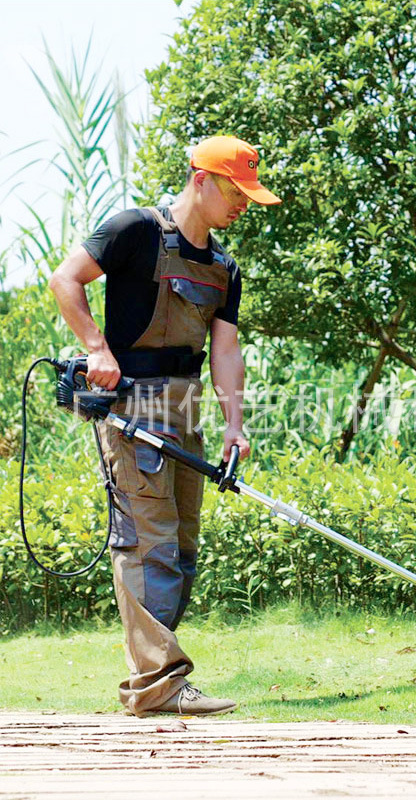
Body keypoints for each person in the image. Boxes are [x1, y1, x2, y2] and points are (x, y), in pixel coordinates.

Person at [49, 135, 281, 717]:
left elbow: (225, 352)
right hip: (133, 405)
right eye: (236, 191)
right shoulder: (134, 229)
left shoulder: (224, 267)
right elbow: (65, 279)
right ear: (201, 179)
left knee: (180, 547)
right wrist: (97, 349)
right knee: (146, 540)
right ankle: (159, 683)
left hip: (188, 406)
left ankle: (154, 680)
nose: (243, 204)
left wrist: (235, 426)